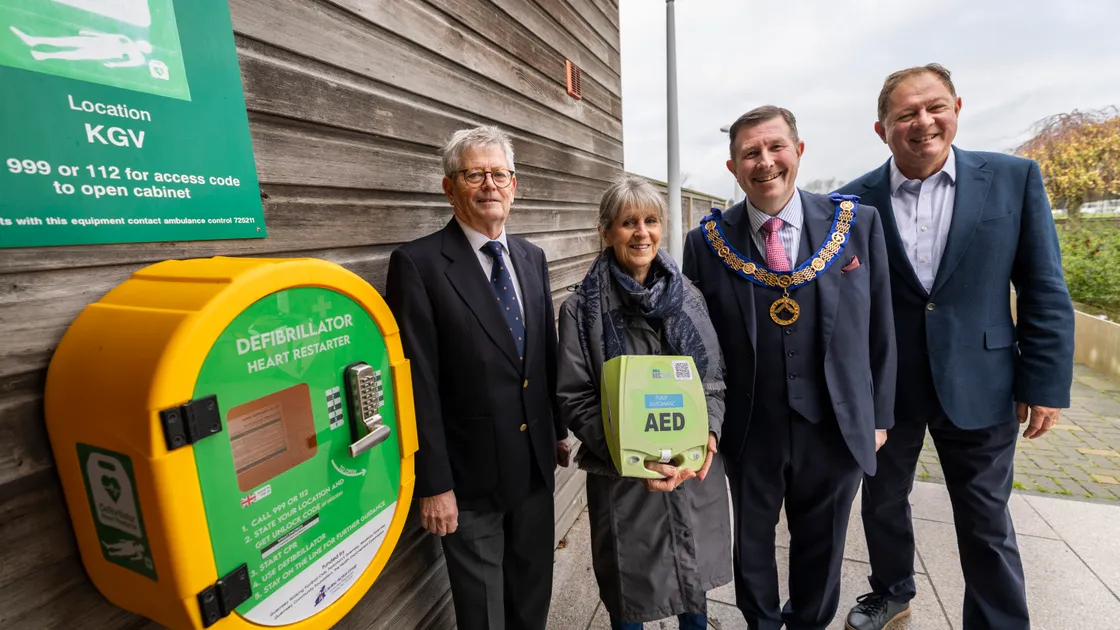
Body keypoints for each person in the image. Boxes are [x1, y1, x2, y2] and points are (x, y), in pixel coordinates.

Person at [838, 64, 1075, 630]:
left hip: (982, 379)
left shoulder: (1014, 178)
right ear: (882, 129)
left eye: (935, 107)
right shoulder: (850, 201)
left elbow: (1043, 286)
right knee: (881, 500)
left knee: (985, 516)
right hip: (887, 385)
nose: (923, 122)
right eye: (906, 114)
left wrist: (1045, 383)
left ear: (957, 109)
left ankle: (997, 621)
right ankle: (891, 592)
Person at [683, 106, 897, 630]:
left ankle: (808, 622)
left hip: (835, 421)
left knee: (823, 542)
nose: (765, 162)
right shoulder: (705, 243)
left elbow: (881, 325)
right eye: (750, 153)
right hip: (750, 425)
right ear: (733, 168)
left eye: (776, 147)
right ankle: (760, 623)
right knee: (752, 542)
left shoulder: (857, 224)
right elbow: (695, 345)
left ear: (798, 152)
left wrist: (879, 415)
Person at [385, 125, 570, 630]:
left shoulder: (530, 256)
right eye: (474, 175)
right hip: (469, 480)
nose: (490, 185)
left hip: (534, 469)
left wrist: (557, 429)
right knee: (483, 613)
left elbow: (543, 353)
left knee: (532, 596)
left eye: (499, 175)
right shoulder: (418, 264)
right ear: (450, 188)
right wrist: (434, 484)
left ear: (515, 185)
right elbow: (417, 383)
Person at [557, 176, 732, 630]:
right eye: (628, 222)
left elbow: (713, 379)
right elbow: (575, 396)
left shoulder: (689, 297)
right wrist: (631, 451)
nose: (641, 233)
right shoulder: (581, 310)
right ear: (606, 231)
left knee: (692, 585)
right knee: (630, 594)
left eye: (651, 221)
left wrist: (709, 435)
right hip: (624, 477)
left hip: (690, 468)